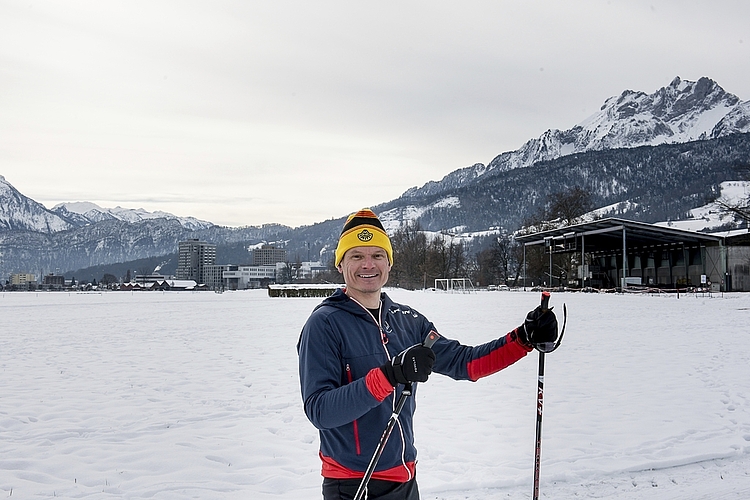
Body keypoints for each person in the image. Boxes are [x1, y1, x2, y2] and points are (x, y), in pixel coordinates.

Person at [297, 208, 558, 500]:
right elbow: (320, 410)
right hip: (353, 484)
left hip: (406, 480)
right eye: (357, 255)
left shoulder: (408, 321)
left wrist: (522, 339)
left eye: (377, 255)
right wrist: (388, 375)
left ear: (389, 263)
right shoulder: (324, 323)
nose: (368, 264)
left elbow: (465, 363)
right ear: (341, 264)